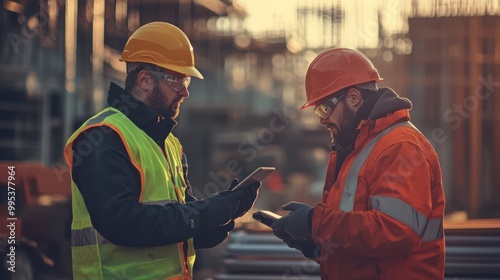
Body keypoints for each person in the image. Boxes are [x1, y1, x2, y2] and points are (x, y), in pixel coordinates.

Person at [64, 22, 260, 280]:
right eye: (177, 79)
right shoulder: (102, 137)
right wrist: (203, 213)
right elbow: (121, 223)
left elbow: (178, 226)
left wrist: (223, 212)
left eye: (186, 79)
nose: (185, 91)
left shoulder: (169, 144)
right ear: (145, 80)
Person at [271, 48, 445, 279]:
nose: (322, 120)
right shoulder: (357, 148)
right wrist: (318, 245)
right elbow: (359, 236)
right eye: (317, 112)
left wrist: (317, 223)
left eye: (324, 108)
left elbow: (396, 231)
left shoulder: (399, 147)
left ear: (353, 98)